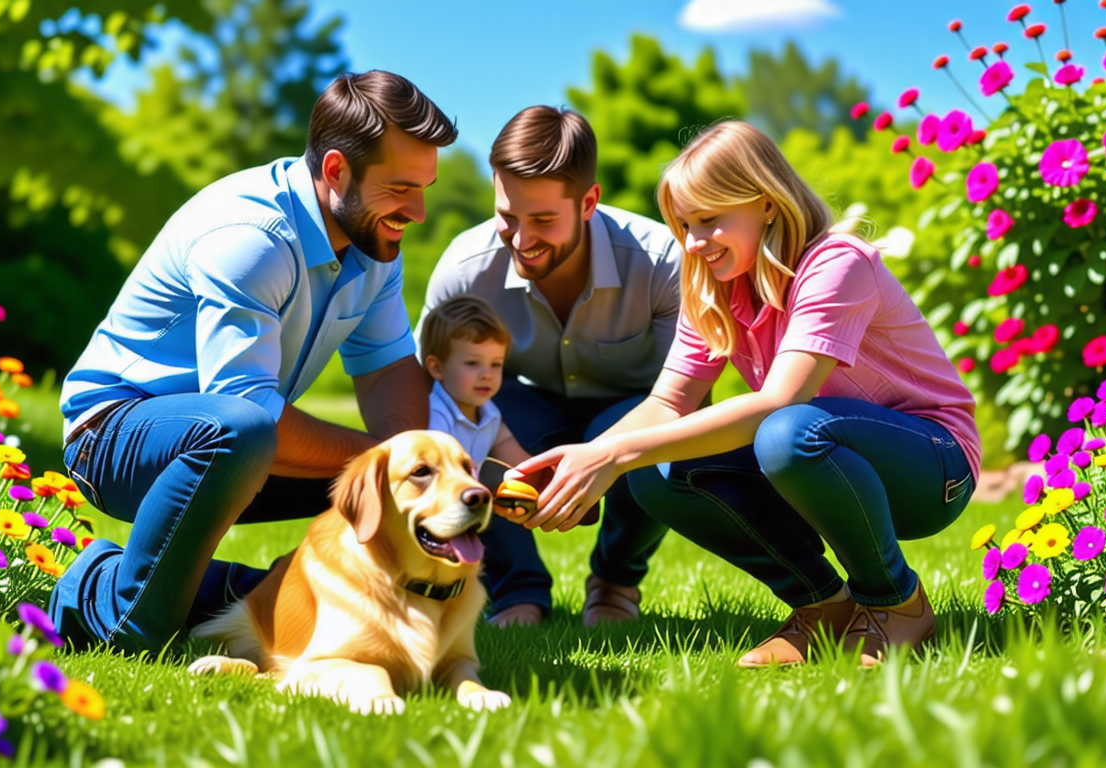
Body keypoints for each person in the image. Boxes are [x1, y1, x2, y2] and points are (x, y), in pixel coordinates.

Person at [510, 121, 980, 667]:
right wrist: (588, 460)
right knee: (656, 468)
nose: (692, 242)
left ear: (768, 205)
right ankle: (823, 607)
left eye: (710, 220)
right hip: (828, 458)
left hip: (933, 469)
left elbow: (782, 401)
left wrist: (611, 454)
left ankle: (896, 603)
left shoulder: (836, 264)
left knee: (786, 433)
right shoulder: (713, 288)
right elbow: (667, 405)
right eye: (684, 224)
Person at [49, 70, 456, 653]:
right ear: (337, 171)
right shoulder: (253, 238)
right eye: (400, 188)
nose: (416, 212)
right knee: (249, 433)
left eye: (425, 188)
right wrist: (389, 462)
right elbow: (247, 409)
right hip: (115, 433)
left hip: (236, 439)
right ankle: (102, 597)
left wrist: (426, 475)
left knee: (382, 478)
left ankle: (260, 592)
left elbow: (389, 367)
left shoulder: (373, 243)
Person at [420, 106, 682, 628]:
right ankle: (515, 589)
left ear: (588, 203)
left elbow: (685, 397)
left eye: (542, 220)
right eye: (507, 217)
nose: (520, 238)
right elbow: (428, 386)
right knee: (461, 420)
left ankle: (614, 581)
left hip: (635, 408)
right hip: (523, 406)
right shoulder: (464, 268)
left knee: (665, 447)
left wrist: (602, 458)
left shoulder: (661, 262)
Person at [419, 294, 530, 469]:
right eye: (472, 363)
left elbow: (507, 446)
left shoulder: (490, 413)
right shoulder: (435, 417)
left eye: (496, 364)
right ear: (437, 368)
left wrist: (537, 477)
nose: (487, 374)